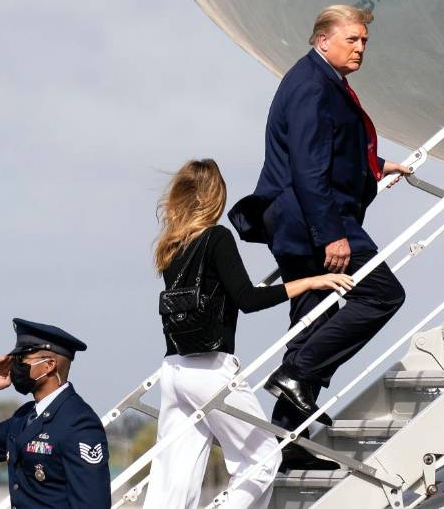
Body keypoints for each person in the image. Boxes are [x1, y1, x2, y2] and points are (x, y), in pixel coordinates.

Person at [230, 5, 410, 444]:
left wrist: (379, 166)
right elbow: (309, 168)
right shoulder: (312, 86)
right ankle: (295, 374)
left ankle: (288, 437)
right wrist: (331, 233)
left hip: (296, 217)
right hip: (312, 217)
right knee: (382, 294)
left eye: (364, 40)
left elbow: (328, 149)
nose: (361, 48)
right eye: (352, 39)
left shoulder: (318, 80)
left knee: (313, 317)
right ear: (322, 39)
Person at [144, 159, 354, 505]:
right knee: (262, 459)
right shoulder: (217, 238)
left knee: (171, 480)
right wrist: (311, 281)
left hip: (174, 371)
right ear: (215, 197)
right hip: (211, 370)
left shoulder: (171, 247)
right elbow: (248, 299)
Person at [0, 319, 110, 507]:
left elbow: (91, 504)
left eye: (21, 359)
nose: (14, 367)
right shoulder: (25, 416)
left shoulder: (78, 422)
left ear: (49, 365)